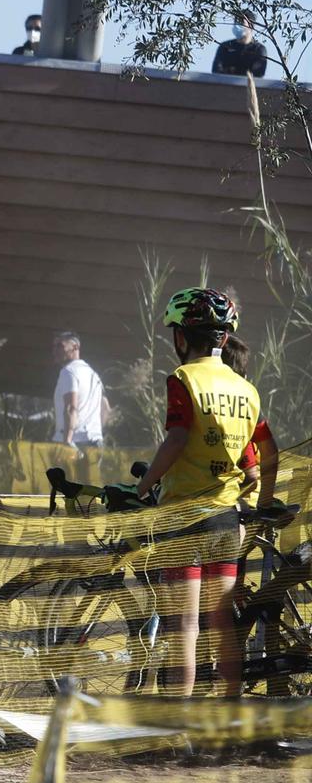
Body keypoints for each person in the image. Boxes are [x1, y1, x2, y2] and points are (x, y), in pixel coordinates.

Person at [134, 288, 277, 697]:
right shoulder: (246, 390)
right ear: (224, 337)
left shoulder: (183, 379)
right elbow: (261, 456)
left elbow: (177, 438)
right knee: (221, 622)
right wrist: (260, 497)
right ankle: (230, 714)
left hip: (185, 519)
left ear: (181, 337)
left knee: (185, 626)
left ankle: (179, 726)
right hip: (226, 521)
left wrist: (143, 486)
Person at [51, 332, 104, 452]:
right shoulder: (93, 374)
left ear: (75, 347)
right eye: (54, 347)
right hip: (96, 441)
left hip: (75, 443)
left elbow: (71, 407)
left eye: (60, 346)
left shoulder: (68, 372)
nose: (55, 351)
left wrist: (67, 441)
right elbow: (104, 408)